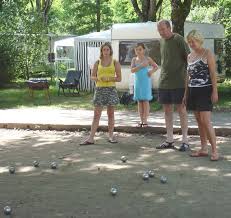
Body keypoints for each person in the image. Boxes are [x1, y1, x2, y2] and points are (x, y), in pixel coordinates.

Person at [183, 30, 219, 161]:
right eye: (189, 42)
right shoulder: (189, 56)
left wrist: (215, 91)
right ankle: (204, 148)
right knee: (199, 121)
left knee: (206, 121)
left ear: (199, 40)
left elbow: (213, 73)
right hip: (193, 91)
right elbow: (188, 76)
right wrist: (185, 94)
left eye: (193, 41)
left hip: (205, 91)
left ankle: (215, 150)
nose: (191, 44)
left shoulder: (207, 53)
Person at [156, 19, 190, 151]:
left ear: (169, 28)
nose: (161, 33)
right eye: (159, 30)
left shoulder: (179, 39)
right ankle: (169, 139)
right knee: (167, 111)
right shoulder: (161, 41)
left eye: (163, 30)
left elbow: (189, 59)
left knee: (181, 110)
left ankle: (185, 140)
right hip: (164, 82)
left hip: (179, 82)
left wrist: (188, 79)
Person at [80, 42, 122, 145]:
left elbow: (119, 78)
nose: (106, 52)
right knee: (96, 115)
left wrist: (109, 78)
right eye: (104, 50)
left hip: (111, 90)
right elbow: (92, 76)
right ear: (101, 51)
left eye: (107, 50)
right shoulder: (97, 62)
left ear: (110, 51)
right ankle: (91, 138)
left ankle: (111, 136)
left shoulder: (115, 62)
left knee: (110, 114)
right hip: (99, 90)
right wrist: (98, 78)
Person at [131, 43, 158, 127]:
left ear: (144, 50)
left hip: (145, 81)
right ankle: (141, 120)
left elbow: (156, 67)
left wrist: (151, 71)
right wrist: (141, 65)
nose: (138, 51)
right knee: (139, 101)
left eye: (140, 49)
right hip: (137, 81)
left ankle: (145, 120)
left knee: (145, 101)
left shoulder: (148, 58)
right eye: (136, 49)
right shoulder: (134, 59)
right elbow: (132, 70)